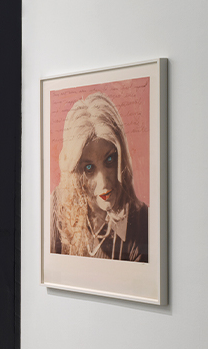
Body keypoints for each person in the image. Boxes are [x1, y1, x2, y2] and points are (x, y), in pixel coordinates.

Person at [51, 91, 148, 263]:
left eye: (109, 160)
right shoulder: (57, 208)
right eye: (89, 168)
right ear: (75, 173)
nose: (103, 183)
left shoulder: (141, 221)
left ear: (121, 157)